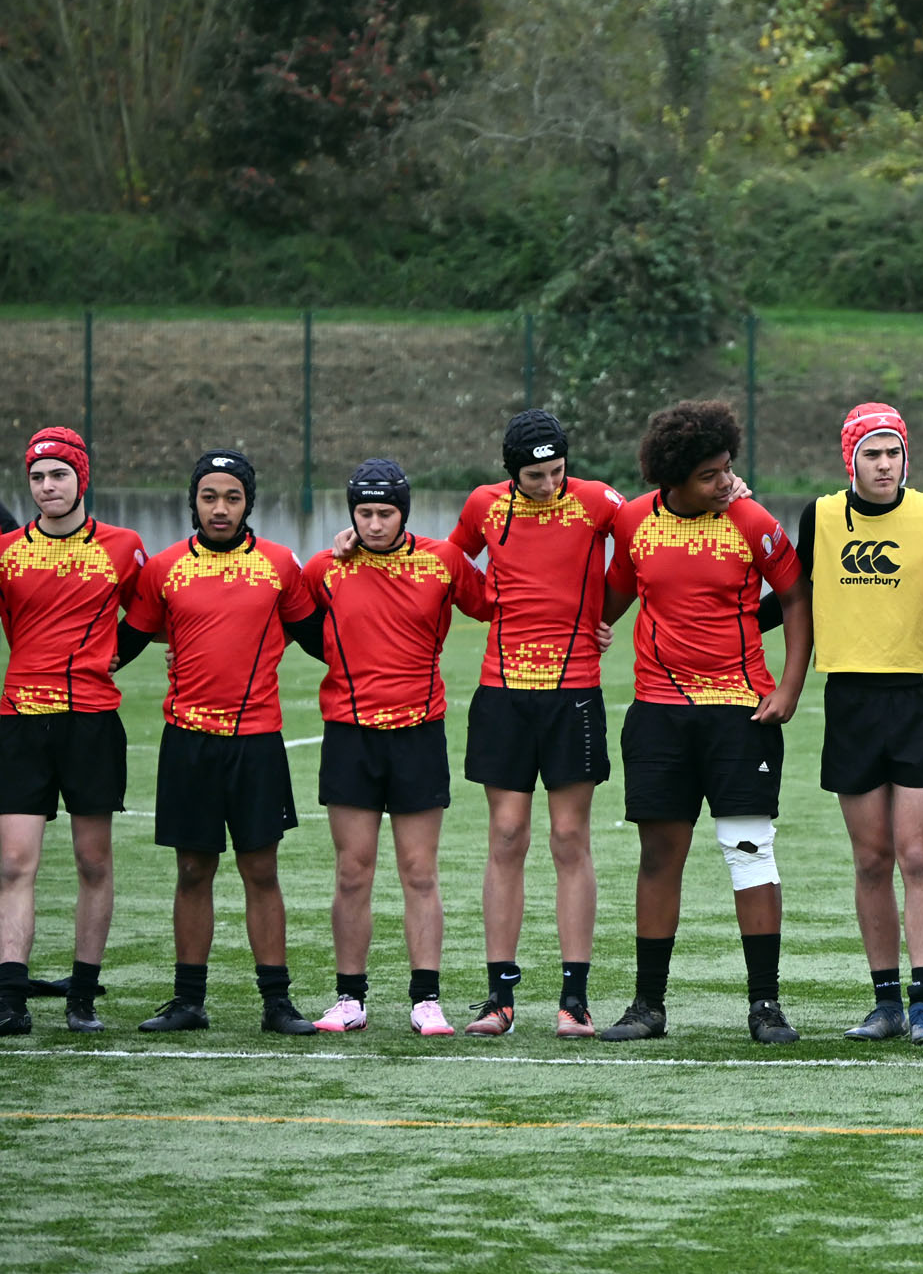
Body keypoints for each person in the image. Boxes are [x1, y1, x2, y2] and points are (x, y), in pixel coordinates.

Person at [599, 402, 812, 1045]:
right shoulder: (634, 520)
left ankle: (765, 1007)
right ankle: (647, 1006)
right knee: (660, 856)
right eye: (709, 474)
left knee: (749, 851)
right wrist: (592, 624)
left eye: (727, 468)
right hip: (658, 715)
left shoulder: (753, 521)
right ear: (673, 479)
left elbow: (796, 597)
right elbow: (615, 593)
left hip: (740, 715)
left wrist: (790, 686)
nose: (725, 482)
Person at [120, 449, 324, 1034]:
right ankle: (188, 1001)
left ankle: (277, 1003)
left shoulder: (280, 564)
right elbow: (122, 645)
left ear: (247, 503)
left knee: (261, 869)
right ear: (193, 502)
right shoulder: (164, 569)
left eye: (232, 497)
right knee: (192, 869)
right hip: (188, 742)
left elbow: (321, 638)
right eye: (209, 496)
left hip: (257, 742)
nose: (220, 508)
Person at [447, 410, 624, 1038]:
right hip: (502, 693)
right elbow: (447, 561)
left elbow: (648, 537)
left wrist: (607, 608)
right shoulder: (484, 505)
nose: (548, 485)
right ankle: (499, 999)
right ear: (511, 473)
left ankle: (574, 1000)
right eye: (534, 476)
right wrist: (484, 603)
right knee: (506, 835)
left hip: (574, 693)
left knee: (570, 838)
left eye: (557, 472)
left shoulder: (598, 501)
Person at [795, 403, 923, 1046]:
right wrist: (721, 624)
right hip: (851, 702)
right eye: (872, 453)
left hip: (918, 699)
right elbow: (793, 598)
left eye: (894, 452)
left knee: (918, 855)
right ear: (851, 459)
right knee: (871, 859)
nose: (885, 464)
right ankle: (886, 1002)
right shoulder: (819, 516)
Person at [304, 460, 492, 1037]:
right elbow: (286, 621)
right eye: (364, 513)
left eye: (385, 513)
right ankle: (349, 999)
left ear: (403, 513)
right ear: (351, 514)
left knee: (419, 871)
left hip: (418, 733)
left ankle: (426, 1000)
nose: (375, 523)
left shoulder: (443, 562)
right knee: (352, 871)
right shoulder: (324, 568)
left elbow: (498, 606)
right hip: (350, 734)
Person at [0, 429, 148, 1034]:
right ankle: (10, 997)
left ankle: (82, 994)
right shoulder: (7, 552)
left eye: (59, 474)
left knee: (93, 861)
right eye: (37, 477)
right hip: (20, 721)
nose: (47, 486)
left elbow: (149, 612)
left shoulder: (124, 546)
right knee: (14, 863)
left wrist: (117, 656)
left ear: (81, 478)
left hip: (91, 722)